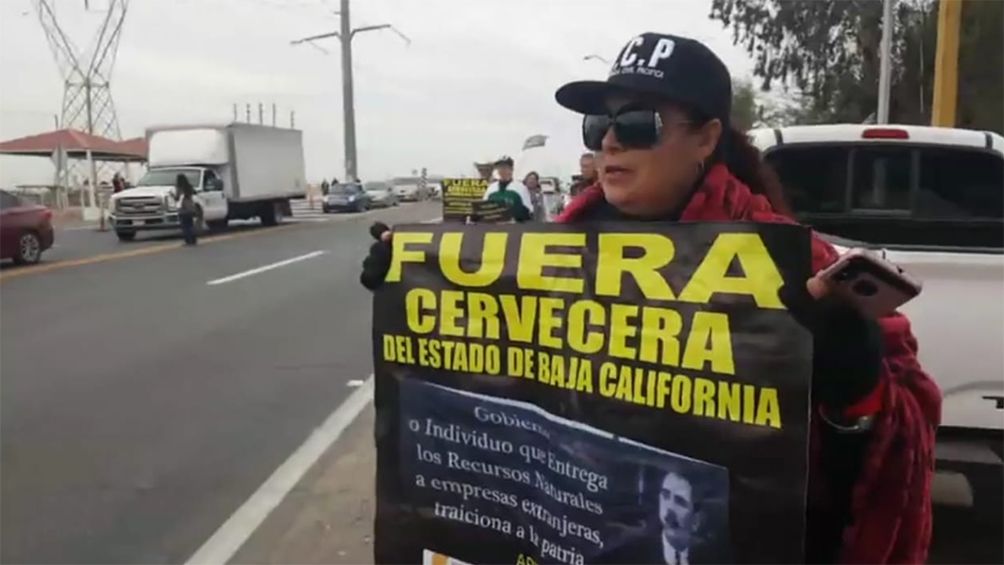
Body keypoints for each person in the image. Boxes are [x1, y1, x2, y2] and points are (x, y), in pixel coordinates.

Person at [359, 32, 940, 564]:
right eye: (598, 125)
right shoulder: (542, 258)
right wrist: (414, 285)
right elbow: (494, 384)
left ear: (706, 139)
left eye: (638, 123)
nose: (609, 141)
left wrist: (855, 380)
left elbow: (897, 443)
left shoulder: (800, 267)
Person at [479, 156, 533, 222]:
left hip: (514, 228)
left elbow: (528, 212)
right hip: (493, 228)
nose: (502, 170)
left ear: (511, 169)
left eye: (504, 168)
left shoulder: (521, 188)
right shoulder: (491, 188)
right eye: (500, 168)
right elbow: (483, 210)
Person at [174, 173, 198, 246]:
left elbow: (177, 198)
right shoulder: (189, 186)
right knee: (190, 224)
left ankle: (188, 241)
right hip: (190, 207)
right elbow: (194, 192)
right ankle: (193, 240)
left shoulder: (179, 188)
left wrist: (172, 195)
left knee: (185, 226)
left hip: (183, 209)